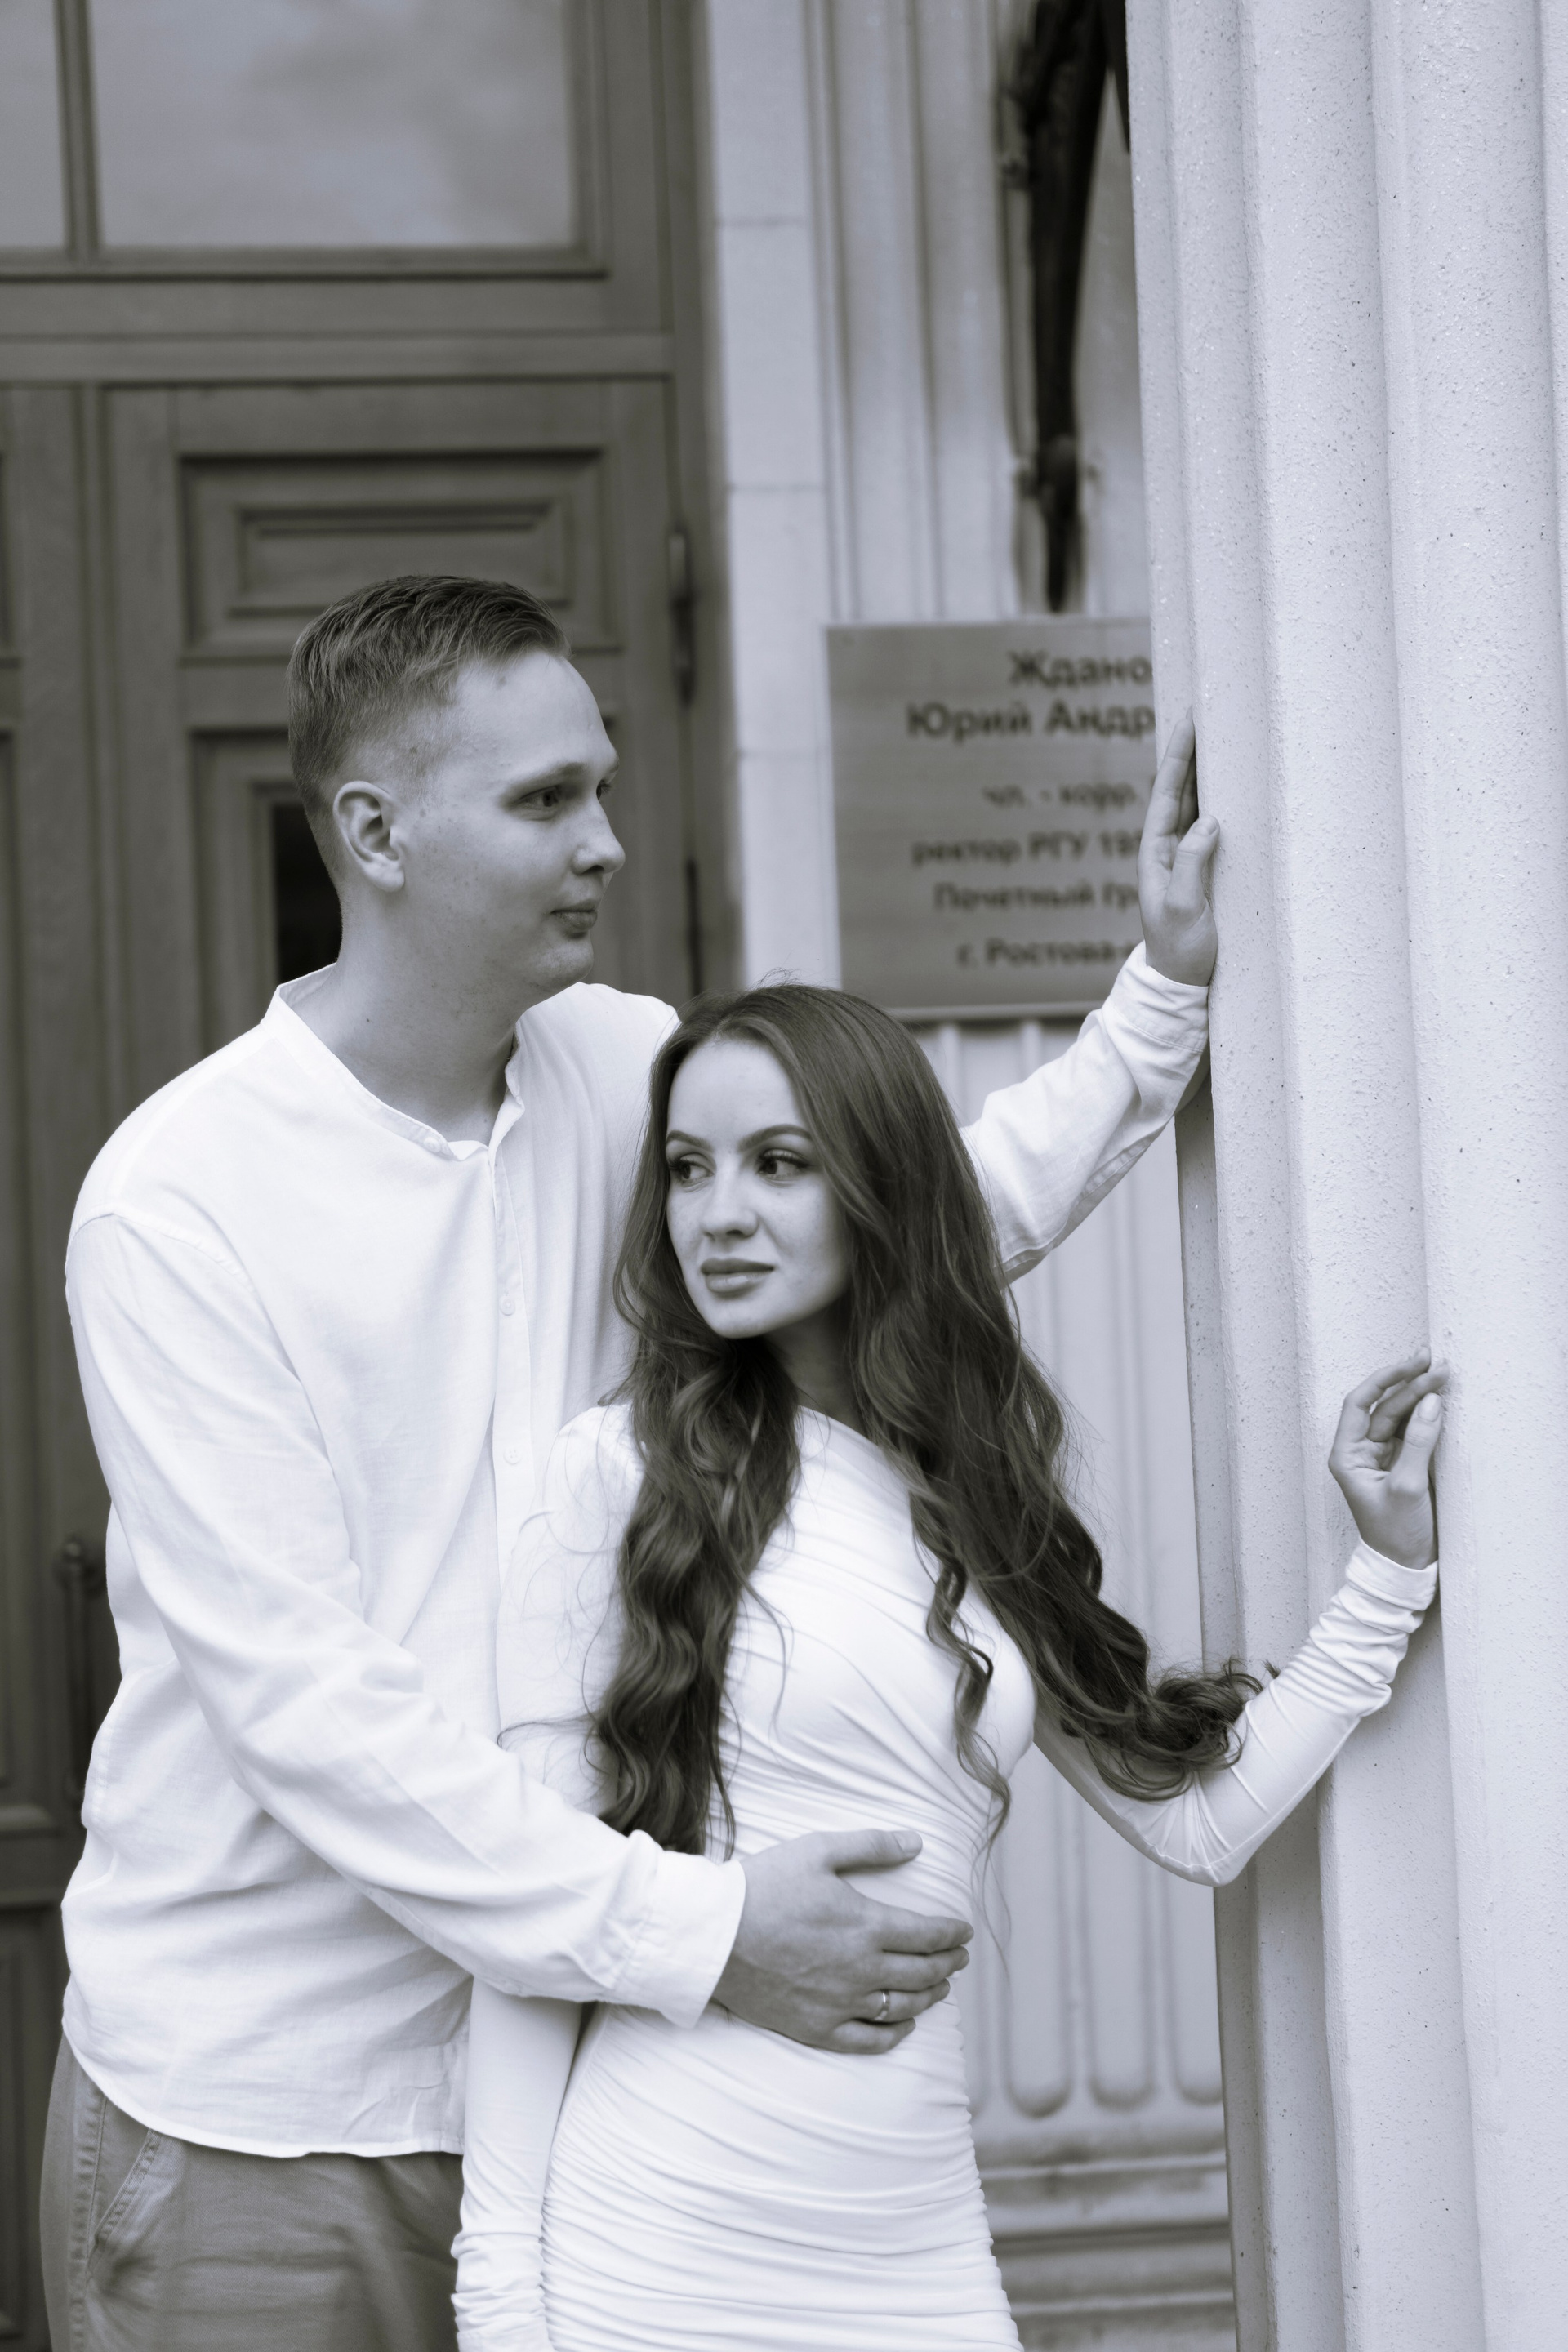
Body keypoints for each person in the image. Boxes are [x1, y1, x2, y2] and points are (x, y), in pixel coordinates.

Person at [43, 574, 1218, 2350]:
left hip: (587, 2092)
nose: (602, 840)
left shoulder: (615, 1066)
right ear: (374, 833)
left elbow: (885, 1222)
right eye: (543, 801)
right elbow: (307, 1704)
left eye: (600, 786)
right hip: (271, 2115)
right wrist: (703, 1930)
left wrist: (1157, 1007)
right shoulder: (178, 1199)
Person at [455, 984, 1447, 2351]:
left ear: (882, 1185)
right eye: (686, 1168)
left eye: (778, 1164)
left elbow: (1201, 1823)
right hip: (658, 2242)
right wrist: (500, 2308)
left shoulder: (968, 1496)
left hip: (915, 2240)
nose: (718, 1214)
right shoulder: (615, 1473)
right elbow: (535, 1918)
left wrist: (1387, 1580)